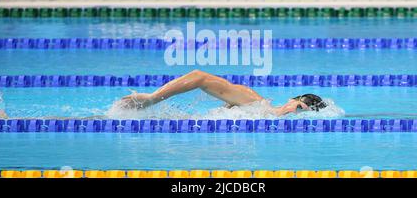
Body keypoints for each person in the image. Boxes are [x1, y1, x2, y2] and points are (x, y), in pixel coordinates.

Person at [121, 70, 327, 116]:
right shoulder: (256, 102)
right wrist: (153, 98)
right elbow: (200, 77)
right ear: (292, 100)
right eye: (299, 108)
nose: (296, 114)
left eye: (303, 114)